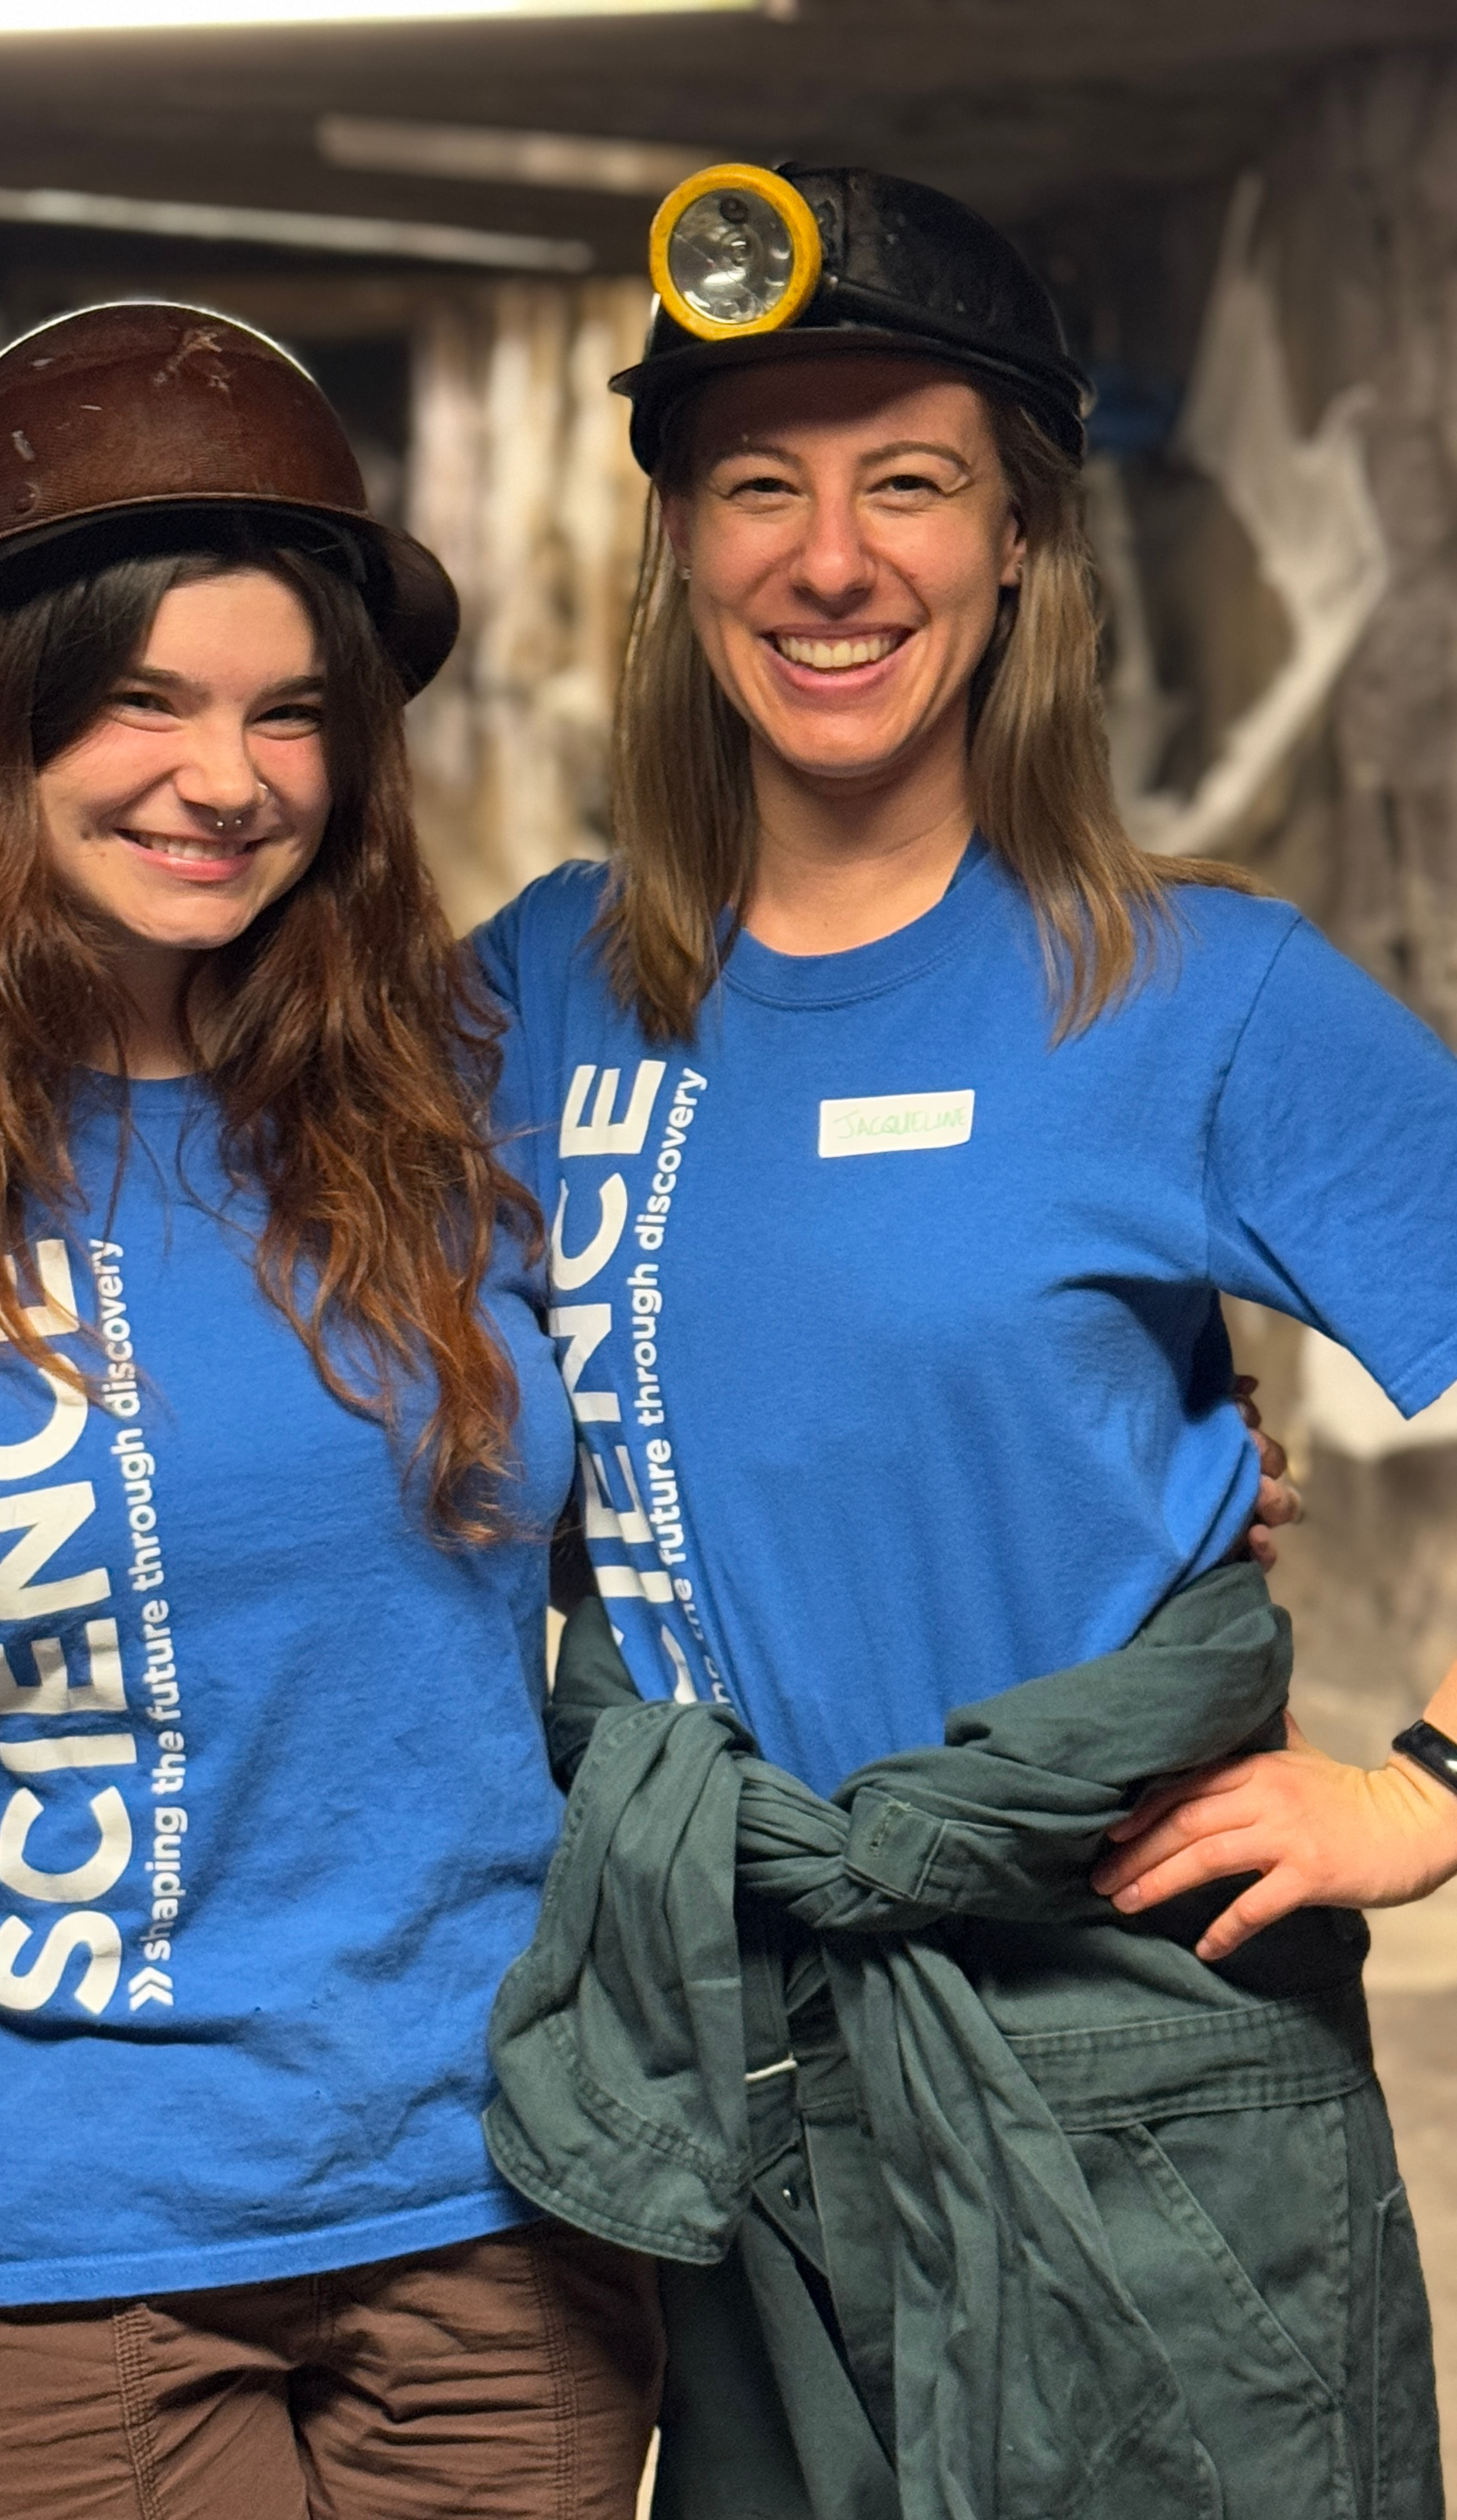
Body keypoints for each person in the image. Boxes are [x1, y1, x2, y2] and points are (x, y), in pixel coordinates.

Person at [0, 303, 661, 2520]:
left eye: (288, 714)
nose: (227, 776)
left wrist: (1143, 1426)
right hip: (12, 2254)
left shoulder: (461, 1094)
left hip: (493, 2216)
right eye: (143, 701)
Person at [473, 164, 1457, 2515]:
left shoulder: (1195, 996)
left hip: (1137, 2075)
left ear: (1019, 539)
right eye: (760, 488)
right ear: (681, 549)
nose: (834, 560)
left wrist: (1431, 1786)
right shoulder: (537, 986)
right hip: (748, 2085)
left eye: (910, 481)